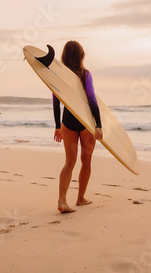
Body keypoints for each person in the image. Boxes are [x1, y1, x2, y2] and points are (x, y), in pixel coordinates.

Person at [53, 41, 103, 213]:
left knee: (69, 161)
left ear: (64, 55)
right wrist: (98, 125)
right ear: (81, 55)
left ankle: (62, 201)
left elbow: (56, 101)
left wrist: (57, 126)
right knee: (86, 161)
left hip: (67, 121)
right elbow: (92, 100)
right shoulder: (85, 75)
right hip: (85, 122)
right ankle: (80, 198)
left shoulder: (58, 76)